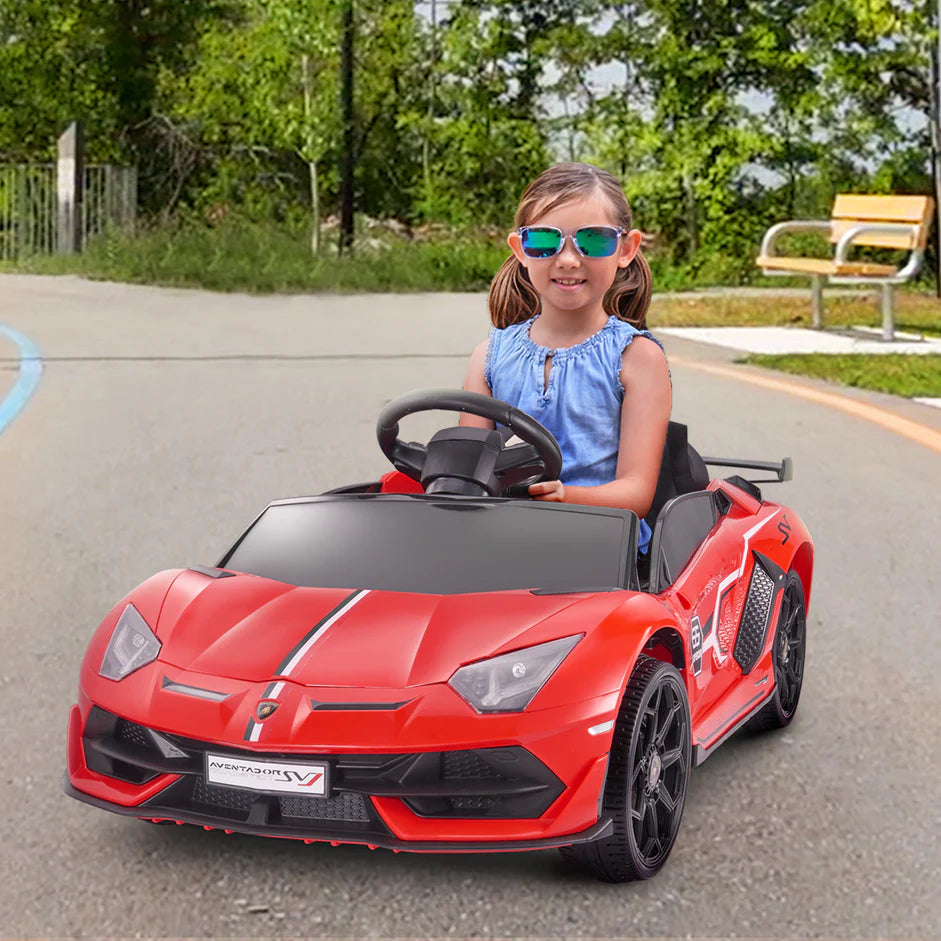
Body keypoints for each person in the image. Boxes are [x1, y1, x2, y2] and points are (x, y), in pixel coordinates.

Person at [460, 162, 671, 555]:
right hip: (502, 545)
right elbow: (468, 467)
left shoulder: (637, 358)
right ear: (521, 250)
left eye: (593, 241)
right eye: (544, 240)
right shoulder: (488, 356)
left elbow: (637, 493)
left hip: (599, 553)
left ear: (626, 249)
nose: (569, 259)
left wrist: (565, 497)